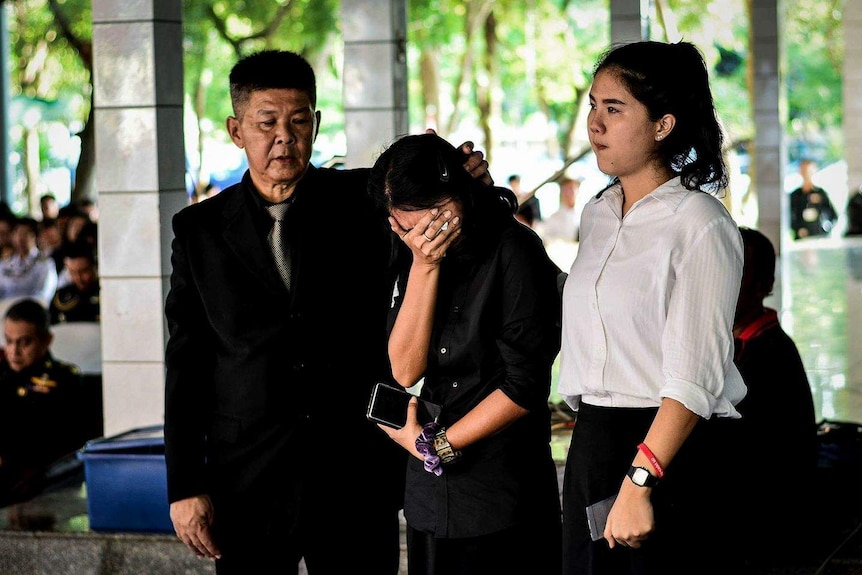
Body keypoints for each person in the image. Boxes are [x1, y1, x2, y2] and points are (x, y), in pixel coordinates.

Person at [163, 49, 491, 575]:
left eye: (298, 122)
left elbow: (435, 216)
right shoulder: (199, 231)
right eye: (266, 123)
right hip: (247, 477)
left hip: (354, 466)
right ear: (235, 129)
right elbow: (186, 364)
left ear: (315, 123)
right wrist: (185, 484)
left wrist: (462, 181)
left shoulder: (364, 201)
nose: (284, 138)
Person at [558, 40, 747, 574]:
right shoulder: (598, 213)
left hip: (664, 449)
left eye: (613, 110)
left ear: (663, 125)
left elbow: (694, 375)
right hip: (595, 441)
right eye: (593, 105)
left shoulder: (699, 222)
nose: (595, 124)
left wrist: (641, 479)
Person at [368, 133, 562, 575]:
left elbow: (524, 385)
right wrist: (424, 265)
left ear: (457, 195)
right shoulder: (415, 255)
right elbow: (405, 368)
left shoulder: (515, 251)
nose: (423, 235)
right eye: (408, 228)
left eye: (432, 221)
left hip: (500, 489)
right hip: (432, 496)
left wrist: (435, 446)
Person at [724, 226, 816, 568]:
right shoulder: (735, 346)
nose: (725, 282)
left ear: (766, 285)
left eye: (738, 271)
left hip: (765, 520)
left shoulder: (769, 354)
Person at [0, 298, 87, 507]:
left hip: (38, 482)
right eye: (9, 341)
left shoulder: (64, 379)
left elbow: (51, 439)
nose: (14, 351)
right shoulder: (2, 375)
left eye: (25, 342)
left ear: (46, 340)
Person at [0, 217, 58, 302]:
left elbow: (44, 294)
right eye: (17, 233)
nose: (20, 238)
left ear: (36, 236)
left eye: (25, 233)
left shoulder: (45, 263)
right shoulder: (5, 263)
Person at [49, 242, 100, 324]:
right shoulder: (60, 298)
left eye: (84, 271)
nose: (78, 278)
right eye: (72, 272)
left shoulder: (106, 294)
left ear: (95, 267)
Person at [789, 159, 837, 240]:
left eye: (809, 171)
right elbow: (789, 216)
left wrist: (826, 229)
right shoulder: (795, 195)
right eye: (804, 171)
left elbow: (832, 214)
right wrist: (797, 229)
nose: (806, 174)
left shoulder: (821, 193)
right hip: (801, 238)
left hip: (820, 236)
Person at [538, 176, 581, 242]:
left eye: (573, 190)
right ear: (562, 193)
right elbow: (543, 235)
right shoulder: (554, 217)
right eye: (567, 190)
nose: (570, 193)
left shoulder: (582, 214)